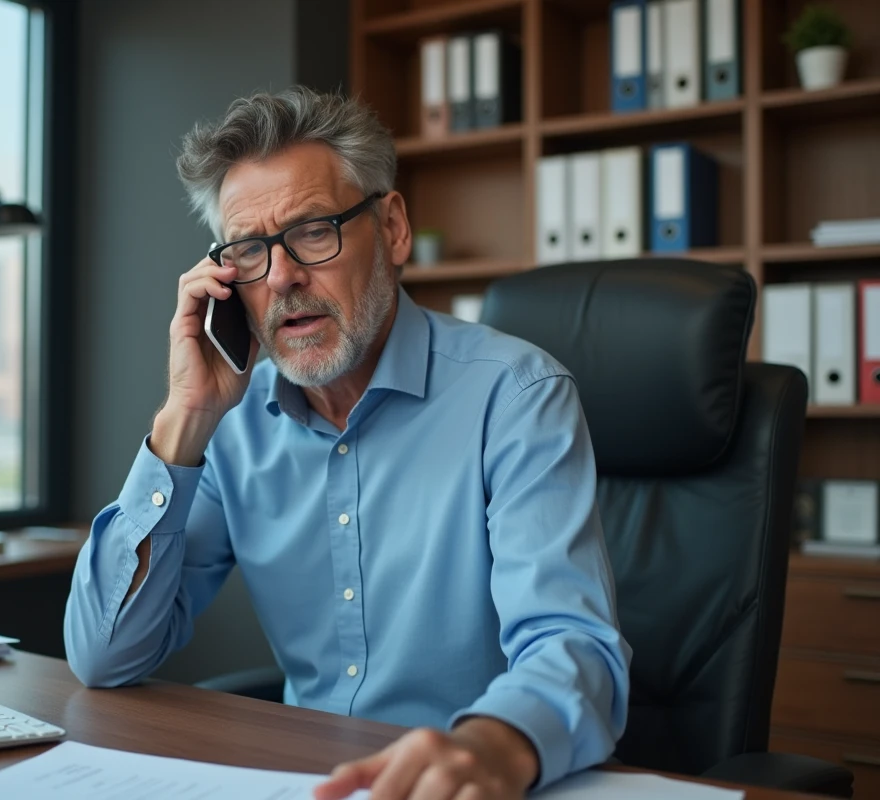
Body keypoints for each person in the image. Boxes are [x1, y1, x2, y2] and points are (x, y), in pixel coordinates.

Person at [64, 86, 630, 800]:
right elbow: (106, 655)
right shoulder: (230, 430)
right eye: (249, 251)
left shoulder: (515, 397)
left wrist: (492, 747)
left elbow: (572, 645)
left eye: (313, 231)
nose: (282, 276)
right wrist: (184, 418)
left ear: (391, 227)